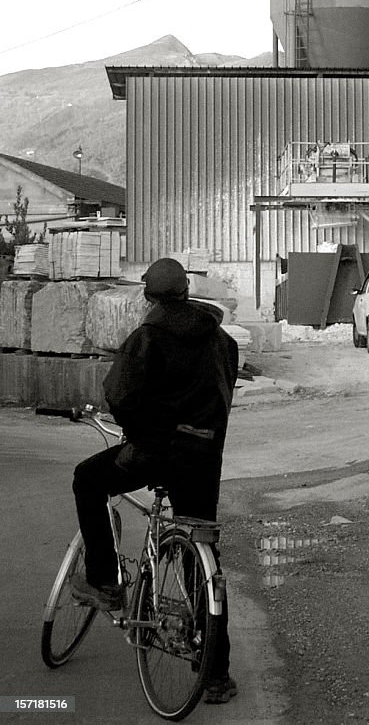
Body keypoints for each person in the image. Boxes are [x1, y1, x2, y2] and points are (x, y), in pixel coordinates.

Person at [70, 257, 239, 705]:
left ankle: (104, 580)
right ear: (187, 290)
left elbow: (120, 393)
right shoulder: (221, 340)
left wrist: (140, 430)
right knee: (201, 557)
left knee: (88, 480)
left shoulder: (147, 337)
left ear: (148, 296)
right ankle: (217, 675)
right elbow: (225, 393)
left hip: (155, 452)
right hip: (203, 459)